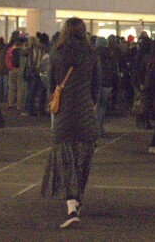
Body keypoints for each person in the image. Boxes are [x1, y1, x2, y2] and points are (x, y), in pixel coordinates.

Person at [41, 17, 101, 228]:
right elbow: (96, 86)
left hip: (64, 115)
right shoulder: (92, 54)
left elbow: (50, 84)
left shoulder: (57, 53)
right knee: (82, 162)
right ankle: (79, 200)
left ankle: (71, 208)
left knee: (65, 162)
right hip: (85, 114)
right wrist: (89, 103)